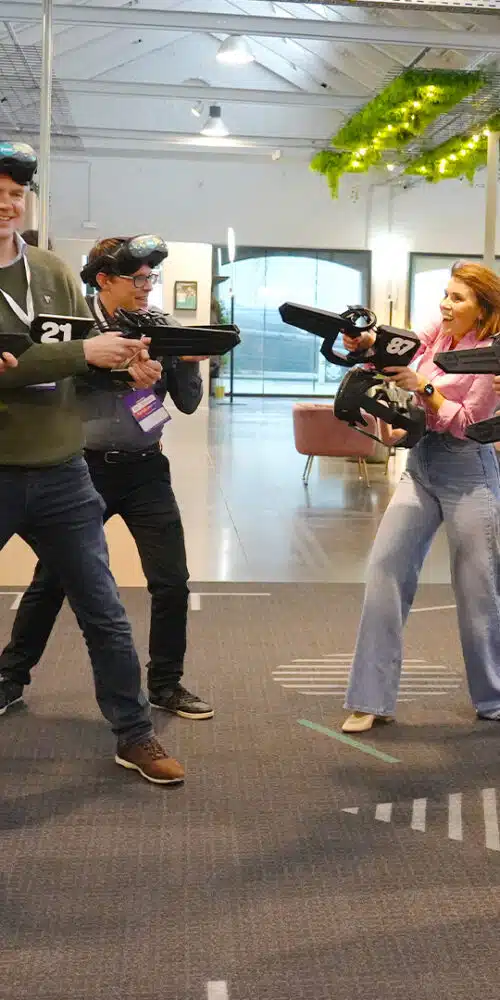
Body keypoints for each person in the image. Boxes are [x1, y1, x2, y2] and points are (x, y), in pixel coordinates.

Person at [0, 140, 184, 784]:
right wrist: (80, 356)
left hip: (62, 471)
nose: (7, 204)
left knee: (103, 609)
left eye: (16, 193)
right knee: (65, 598)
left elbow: (86, 355)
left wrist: (130, 370)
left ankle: (135, 734)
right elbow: (65, 357)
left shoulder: (49, 270)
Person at [0, 233, 213, 720]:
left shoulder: (160, 326)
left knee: (171, 581)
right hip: (83, 469)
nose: (146, 288)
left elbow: (186, 403)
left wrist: (184, 362)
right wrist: (113, 367)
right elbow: (52, 377)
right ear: (103, 280)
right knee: (52, 581)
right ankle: (11, 676)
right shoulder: (74, 326)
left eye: (150, 278)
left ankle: (166, 683)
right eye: (135, 279)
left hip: (146, 468)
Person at [342, 261, 500, 732]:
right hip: (421, 465)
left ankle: (494, 698)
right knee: (384, 570)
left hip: (468, 471)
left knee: (478, 591)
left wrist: (425, 388)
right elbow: (401, 348)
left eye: (457, 298)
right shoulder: (439, 332)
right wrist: (366, 344)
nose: (445, 305)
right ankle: (370, 699)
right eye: (446, 294)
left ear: (483, 309)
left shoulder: (491, 355)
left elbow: (469, 423)